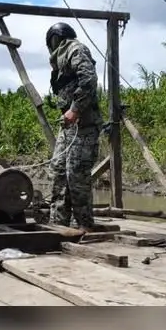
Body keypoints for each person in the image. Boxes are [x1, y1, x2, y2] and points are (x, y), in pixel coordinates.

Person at [45, 22, 102, 230]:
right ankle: (59, 223)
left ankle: (84, 226)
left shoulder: (75, 49)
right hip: (68, 127)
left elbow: (88, 78)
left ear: (55, 39)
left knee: (76, 175)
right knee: (59, 170)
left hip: (84, 125)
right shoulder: (61, 58)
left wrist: (75, 109)